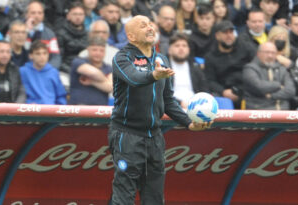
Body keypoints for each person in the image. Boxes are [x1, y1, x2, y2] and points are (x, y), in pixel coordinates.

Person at [109, 15, 210, 205]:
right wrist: (154, 74)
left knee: (155, 198)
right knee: (124, 196)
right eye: (143, 25)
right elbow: (134, 79)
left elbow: (168, 101)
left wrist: (189, 123)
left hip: (155, 138)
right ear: (131, 36)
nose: (149, 28)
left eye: (150, 24)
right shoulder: (122, 58)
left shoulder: (161, 59)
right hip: (127, 136)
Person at [204, 20, 254, 108]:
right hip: (224, 93)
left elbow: (256, 67)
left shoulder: (246, 48)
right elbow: (210, 80)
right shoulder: (210, 56)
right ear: (217, 35)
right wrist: (223, 91)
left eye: (231, 32)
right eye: (225, 33)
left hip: (247, 90)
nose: (229, 35)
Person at [242, 42, 295, 110]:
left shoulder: (282, 69)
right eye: (267, 52)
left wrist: (271, 96)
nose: (270, 56)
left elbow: (290, 91)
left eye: (273, 53)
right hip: (259, 112)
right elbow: (259, 87)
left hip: (283, 113)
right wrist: (278, 85)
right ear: (258, 53)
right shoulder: (249, 69)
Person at [168, 33, 209, 108]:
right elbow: (162, 95)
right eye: (177, 46)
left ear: (189, 50)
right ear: (170, 50)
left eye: (184, 46)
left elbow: (204, 91)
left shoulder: (196, 68)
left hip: (196, 107)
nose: (181, 48)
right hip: (171, 108)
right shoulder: (164, 68)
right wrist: (180, 103)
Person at [19, 40, 67, 105]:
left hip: (50, 111)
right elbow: (19, 95)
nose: (42, 57)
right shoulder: (23, 72)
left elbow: (61, 96)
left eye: (44, 53)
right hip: (30, 111)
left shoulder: (54, 72)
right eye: (38, 53)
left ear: (48, 55)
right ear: (30, 56)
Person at [69, 36, 112, 105]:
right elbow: (94, 73)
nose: (98, 53)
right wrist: (105, 81)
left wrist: (92, 82)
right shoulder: (78, 62)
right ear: (88, 50)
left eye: (101, 50)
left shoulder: (108, 68)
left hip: (100, 112)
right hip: (78, 110)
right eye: (94, 50)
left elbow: (110, 88)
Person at [25, 0, 61, 70]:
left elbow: (56, 57)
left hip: (45, 70)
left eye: (40, 13)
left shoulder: (50, 34)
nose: (37, 16)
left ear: (43, 15)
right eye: (33, 13)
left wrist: (46, 69)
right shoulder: (18, 30)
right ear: (27, 14)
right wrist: (27, 32)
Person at [56, 1, 88, 75]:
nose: (78, 17)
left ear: (84, 16)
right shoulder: (60, 34)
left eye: (80, 14)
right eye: (75, 14)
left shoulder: (88, 35)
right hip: (66, 71)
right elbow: (59, 59)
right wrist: (73, 71)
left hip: (86, 70)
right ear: (68, 16)